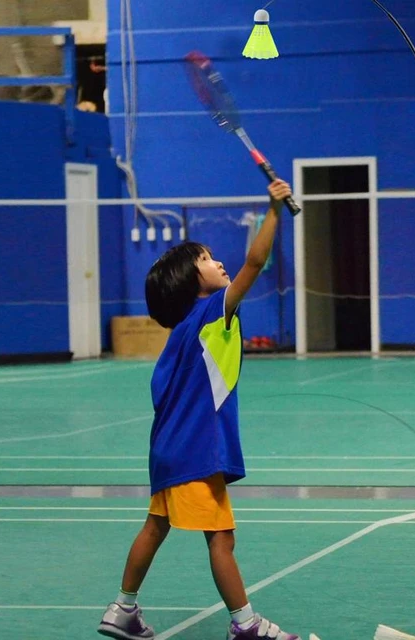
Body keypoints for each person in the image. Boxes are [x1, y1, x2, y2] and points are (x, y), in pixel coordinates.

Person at [98, 179, 300, 640]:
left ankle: (122, 609)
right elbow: (255, 261)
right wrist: (272, 210)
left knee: (155, 526)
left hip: (166, 452)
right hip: (196, 453)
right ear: (191, 280)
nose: (218, 261)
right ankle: (245, 625)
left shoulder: (179, 337)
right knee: (221, 539)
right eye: (207, 259)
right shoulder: (212, 314)